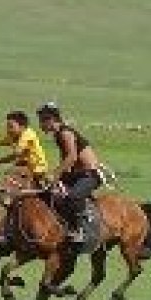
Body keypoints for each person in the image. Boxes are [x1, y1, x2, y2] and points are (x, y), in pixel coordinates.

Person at [36, 102, 110, 242]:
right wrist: (54, 177)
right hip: (76, 174)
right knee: (46, 190)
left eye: (42, 121)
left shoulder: (65, 132)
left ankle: (81, 229)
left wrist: (56, 175)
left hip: (90, 175)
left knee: (73, 197)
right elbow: (66, 160)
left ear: (51, 119)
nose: (40, 125)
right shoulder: (58, 135)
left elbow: (72, 156)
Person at [0, 110, 49, 187]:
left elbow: (16, 154)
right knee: (9, 175)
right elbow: (0, 142)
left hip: (38, 169)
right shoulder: (14, 135)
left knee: (10, 181)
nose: (8, 130)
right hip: (26, 165)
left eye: (11, 127)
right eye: (7, 126)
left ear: (22, 127)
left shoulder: (27, 135)